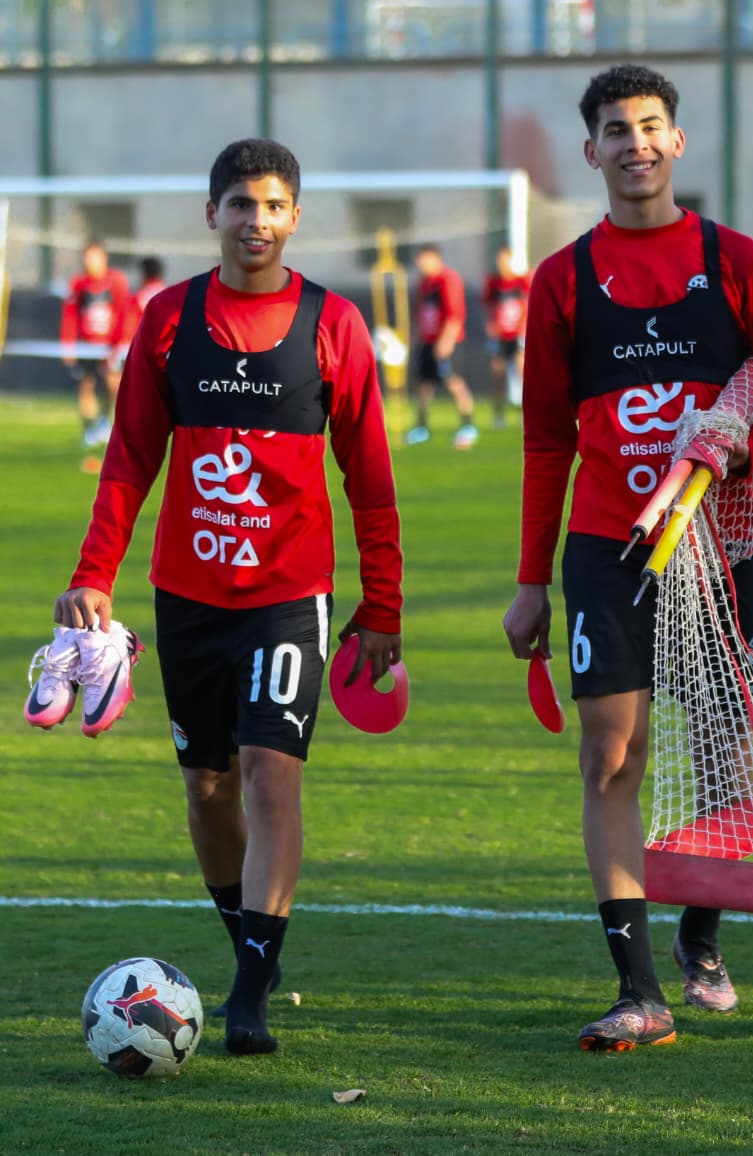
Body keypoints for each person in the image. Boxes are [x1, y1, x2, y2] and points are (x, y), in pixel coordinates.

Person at [48, 138, 404, 1056]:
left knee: (268, 775)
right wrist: (94, 574)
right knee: (207, 788)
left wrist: (384, 604)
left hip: (290, 597)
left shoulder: (334, 326)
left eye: (274, 205)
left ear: (295, 217)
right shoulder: (168, 320)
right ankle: (245, 937)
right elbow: (129, 458)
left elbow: (368, 475)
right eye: (240, 204)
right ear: (213, 214)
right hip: (188, 597)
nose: (257, 221)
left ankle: (250, 984)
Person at [502, 64, 753, 1052]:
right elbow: (547, 441)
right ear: (592, 151)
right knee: (609, 753)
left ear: (674, 143)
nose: (633, 143)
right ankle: (635, 986)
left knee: (725, 749)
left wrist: (737, 454)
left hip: (722, 543)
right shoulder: (560, 280)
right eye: (613, 129)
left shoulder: (732, 258)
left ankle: (701, 929)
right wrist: (528, 579)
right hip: (608, 546)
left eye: (649, 126)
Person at [405, 242, 478, 449]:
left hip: (446, 342)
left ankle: (467, 426)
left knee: (453, 381)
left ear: (435, 258)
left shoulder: (448, 280)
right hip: (427, 342)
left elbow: (455, 316)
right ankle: (421, 427)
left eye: (423, 259)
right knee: (423, 384)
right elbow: (421, 315)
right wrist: (415, 340)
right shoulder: (424, 283)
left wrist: (446, 342)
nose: (420, 263)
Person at [60, 239, 132, 448]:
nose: (90, 261)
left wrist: (119, 343)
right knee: (86, 387)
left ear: (103, 258)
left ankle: (104, 421)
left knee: (114, 385)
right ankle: (89, 430)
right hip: (86, 346)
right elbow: (70, 314)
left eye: (94, 256)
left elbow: (123, 312)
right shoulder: (78, 284)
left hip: (109, 346)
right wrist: (68, 345)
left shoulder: (116, 281)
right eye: (87, 257)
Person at [481, 244, 532, 429]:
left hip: (517, 335)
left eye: (506, 260)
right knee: (497, 373)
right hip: (499, 336)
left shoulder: (522, 281)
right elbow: (487, 308)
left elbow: (529, 305)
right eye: (500, 260)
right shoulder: (493, 284)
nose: (503, 264)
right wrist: (490, 326)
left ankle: (526, 414)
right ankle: (498, 414)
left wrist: (523, 327)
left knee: (522, 374)